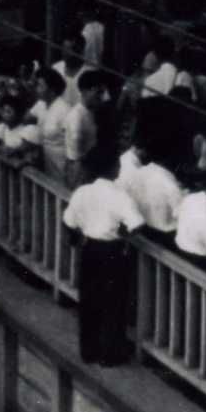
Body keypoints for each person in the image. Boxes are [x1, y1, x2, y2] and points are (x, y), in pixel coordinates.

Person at [62, 149, 145, 367]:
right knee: (113, 302)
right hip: (112, 251)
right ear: (112, 169)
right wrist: (123, 235)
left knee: (89, 300)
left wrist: (78, 236)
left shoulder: (82, 192)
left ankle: (88, 351)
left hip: (89, 248)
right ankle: (111, 354)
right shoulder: (119, 195)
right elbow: (136, 224)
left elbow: (69, 221)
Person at [64, 70, 108, 188]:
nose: (101, 97)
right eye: (98, 92)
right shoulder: (76, 117)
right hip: (79, 170)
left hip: (89, 168)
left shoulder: (91, 112)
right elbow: (75, 157)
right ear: (85, 91)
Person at [34, 67, 71, 181]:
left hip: (62, 167)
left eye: (40, 85)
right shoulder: (42, 105)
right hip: (46, 164)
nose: (36, 89)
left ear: (52, 90)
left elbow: (73, 145)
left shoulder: (64, 110)